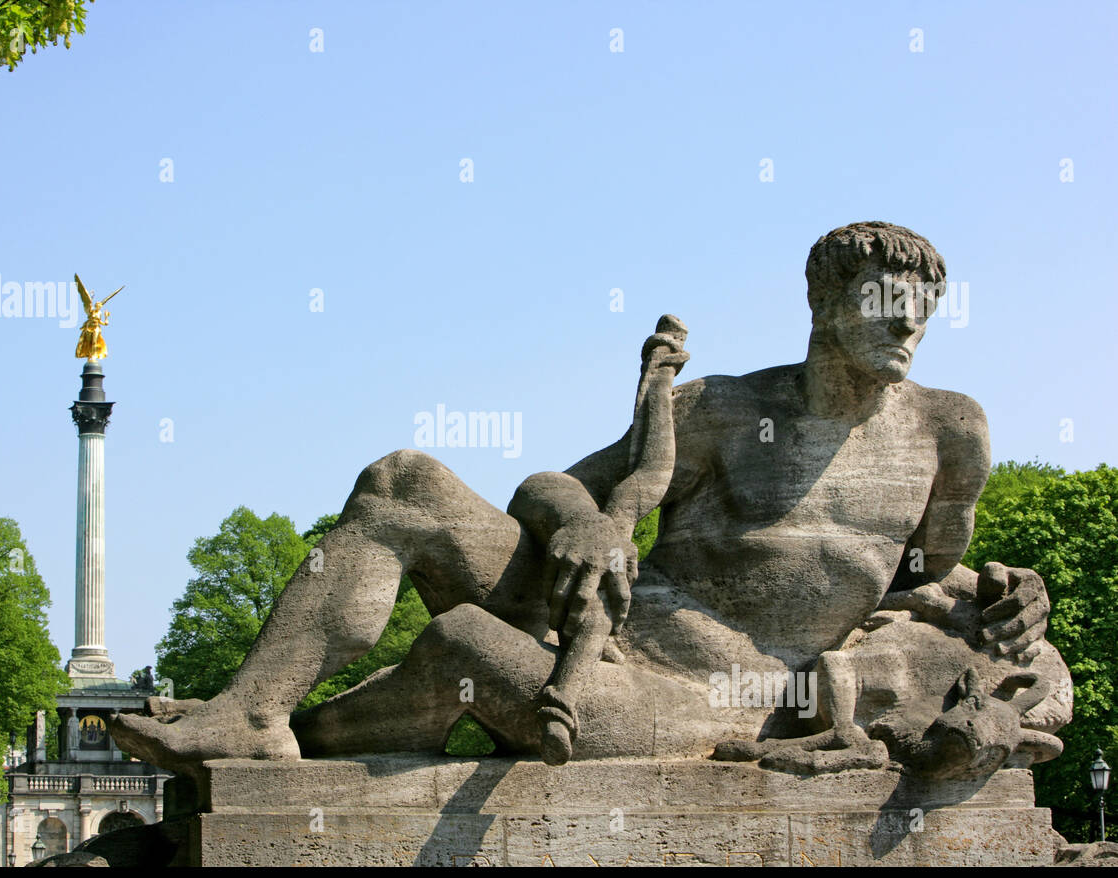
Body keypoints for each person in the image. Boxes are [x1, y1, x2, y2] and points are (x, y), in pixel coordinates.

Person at [112, 222, 1068, 773]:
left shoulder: (951, 432)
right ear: (824, 304)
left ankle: (283, 759)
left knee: (465, 649)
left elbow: (921, 584)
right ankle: (250, 710)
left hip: (704, 693)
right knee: (404, 483)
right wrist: (578, 523)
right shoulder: (723, 408)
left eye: (923, 312)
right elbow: (559, 483)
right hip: (595, 605)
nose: (908, 328)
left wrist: (1006, 595)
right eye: (882, 302)